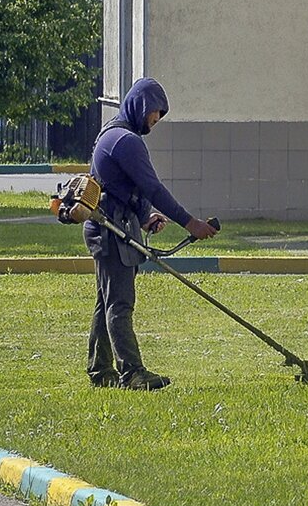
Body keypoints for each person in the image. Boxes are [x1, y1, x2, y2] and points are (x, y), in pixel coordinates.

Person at [85, 77, 218, 391]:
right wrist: (191, 223)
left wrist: (144, 217)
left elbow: (125, 186)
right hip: (110, 231)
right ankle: (131, 373)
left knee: (106, 302)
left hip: (109, 226)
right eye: (154, 113)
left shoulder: (114, 133)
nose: (155, 120)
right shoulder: (126, 140)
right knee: (119, 303)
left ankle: (100, 370)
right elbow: (152, 188)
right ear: (141, 105)